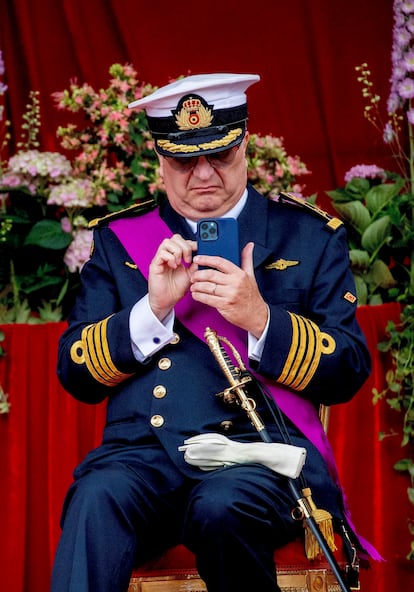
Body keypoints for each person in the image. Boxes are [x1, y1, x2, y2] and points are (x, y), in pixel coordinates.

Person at [51, 73, 375, 592]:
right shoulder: (117, 242)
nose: (202, 173)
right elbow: (76, 373)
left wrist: (260, 319)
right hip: (144, 458)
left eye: (219, 155)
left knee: (222, 506)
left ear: (244, 144)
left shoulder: (309, 235)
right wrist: (153, 308)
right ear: (159, 160)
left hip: (258, 454)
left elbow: (349, 369)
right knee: (95, 498)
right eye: (183, 160)